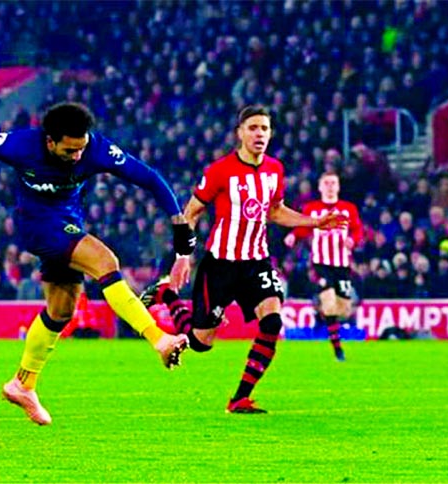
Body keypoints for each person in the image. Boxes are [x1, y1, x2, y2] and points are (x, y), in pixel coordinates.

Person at [0, 102, 194, 425]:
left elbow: (148, 178)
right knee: (105, 260)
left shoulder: (96, 148)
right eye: (70, 149)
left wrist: (178, 222)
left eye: (81, 148)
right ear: (50, 141)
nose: (78, 156)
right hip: (35, 224)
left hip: (68, 222)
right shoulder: (21, 145)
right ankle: (159, 338)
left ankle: (23, 384)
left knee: (61, 309)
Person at [140, 105, 346, 414]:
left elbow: (275, 211)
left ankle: (239, 398)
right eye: (253, 128)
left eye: (264, 128)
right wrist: (184, 256)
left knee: (273, 321)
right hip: (220, 264)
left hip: (256, 262)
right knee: (200, 343)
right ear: (240, 133)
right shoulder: (220, 170)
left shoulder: (275, 170)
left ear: (271, 134)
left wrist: (313, 222)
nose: (259, 134)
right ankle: (167, 295)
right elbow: (191, 212)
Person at [283, 171, 364, 361]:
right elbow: (304, 226)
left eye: (333, 183)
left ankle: (322, 319)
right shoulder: (312, 209)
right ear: (319, 187)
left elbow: (358, 229)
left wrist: (353, 240)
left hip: (342, 265)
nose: (329, 186)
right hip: (320, 264)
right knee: (328, 302)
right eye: (326, 183)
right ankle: (338, 349)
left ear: (338, 187)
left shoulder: (348, 209)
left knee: (343, 308)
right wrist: (294, 235)